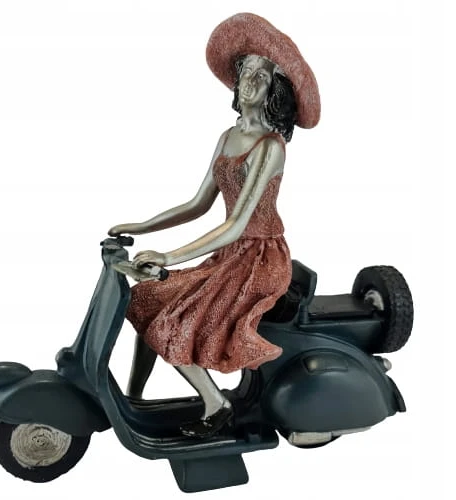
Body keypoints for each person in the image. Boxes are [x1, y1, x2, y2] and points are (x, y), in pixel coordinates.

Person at [108, 13, 320, 438]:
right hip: (230, 251)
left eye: (262, 75)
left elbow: (239, 222)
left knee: (172, 323)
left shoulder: (271, 147)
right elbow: (198, 203)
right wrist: (141, 226)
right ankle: (135, 396)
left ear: (275, 89)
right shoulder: (227, 137)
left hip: (259, 258)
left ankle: (215, 404)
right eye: (246, 71)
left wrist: (168, 257)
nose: (250, 82)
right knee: (144, 299)